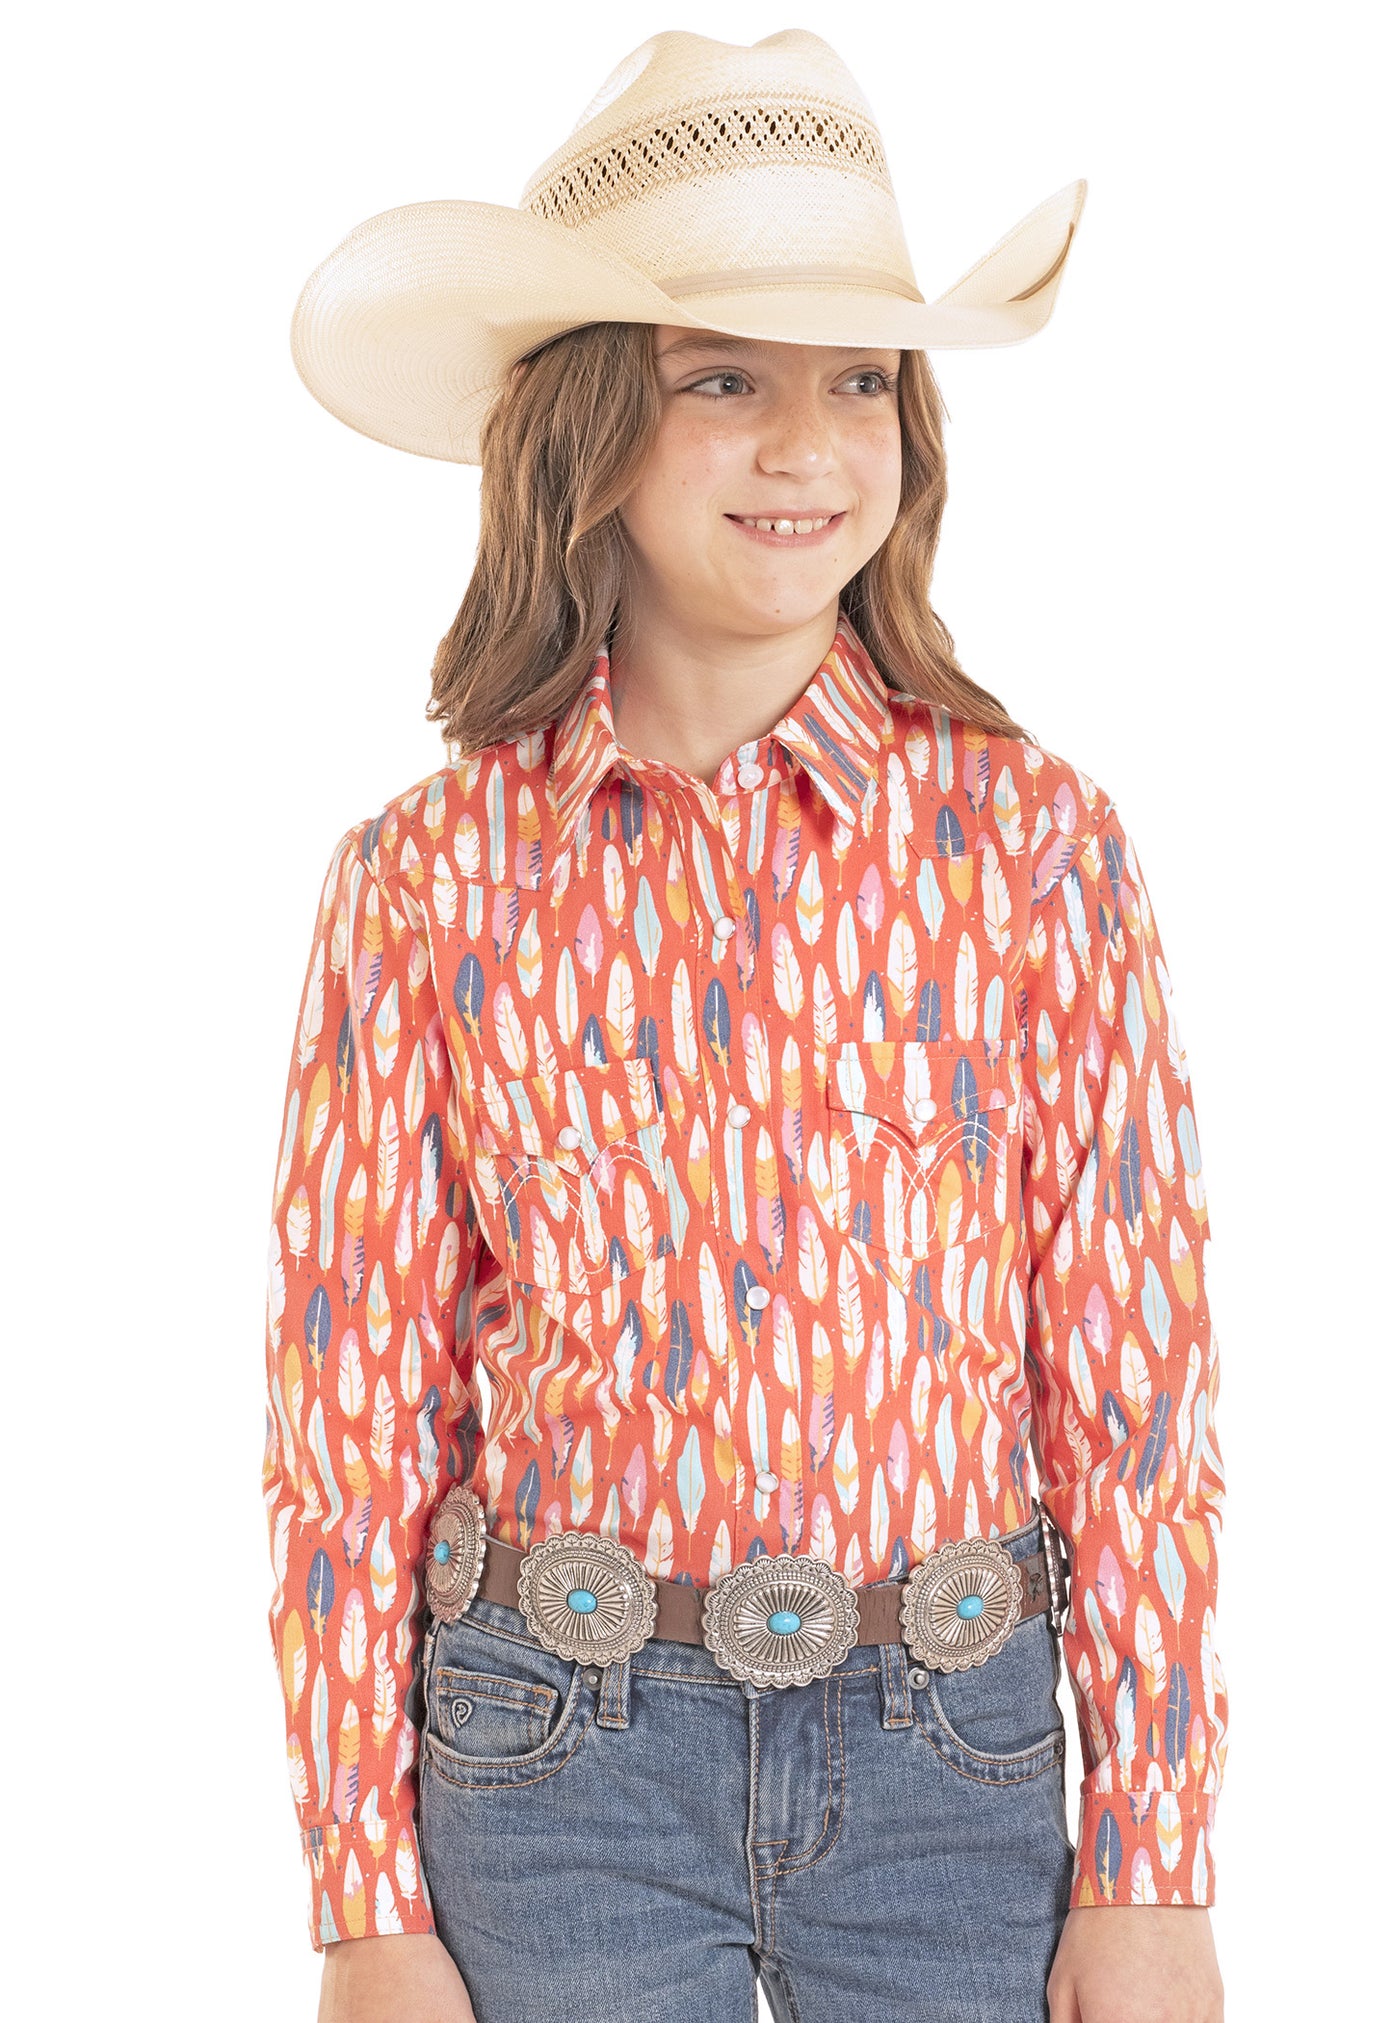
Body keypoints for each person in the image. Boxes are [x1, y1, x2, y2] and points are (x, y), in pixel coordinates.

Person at [264, 29, 1228, 2023]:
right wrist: (365, 1903)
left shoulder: (1032, 847)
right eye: (724, 380)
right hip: (556, 1766)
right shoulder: (428, 878)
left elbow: (1133, 1385)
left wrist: (1152, 1862)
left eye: (858, 380)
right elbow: (348, 1412)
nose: (808, 447)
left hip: (953, 1770)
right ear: (585, 429)